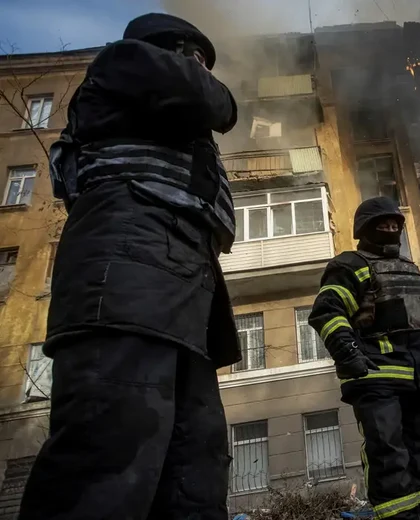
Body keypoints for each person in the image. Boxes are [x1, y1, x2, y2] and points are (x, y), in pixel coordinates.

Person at [19, 13, 240, 520]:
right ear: (170, 50)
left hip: (179, 290)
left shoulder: (155, 109)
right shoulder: (124, 61)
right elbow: (217, 103)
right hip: (127, 277)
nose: (203, 69)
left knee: (194, 469)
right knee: (109, 455)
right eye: (196, 58)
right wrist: (202, 79)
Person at [308, 197, 420, 520]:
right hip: (375, 376)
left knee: (419, 447)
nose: (391, 229)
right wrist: (349, 355)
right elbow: (327, 312)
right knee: (387, 451)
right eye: (383, 225)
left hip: (415, 378)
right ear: (366, 230)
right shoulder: (350, 265)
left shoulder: (410, 270)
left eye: (394, 225)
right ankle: (397, 514)